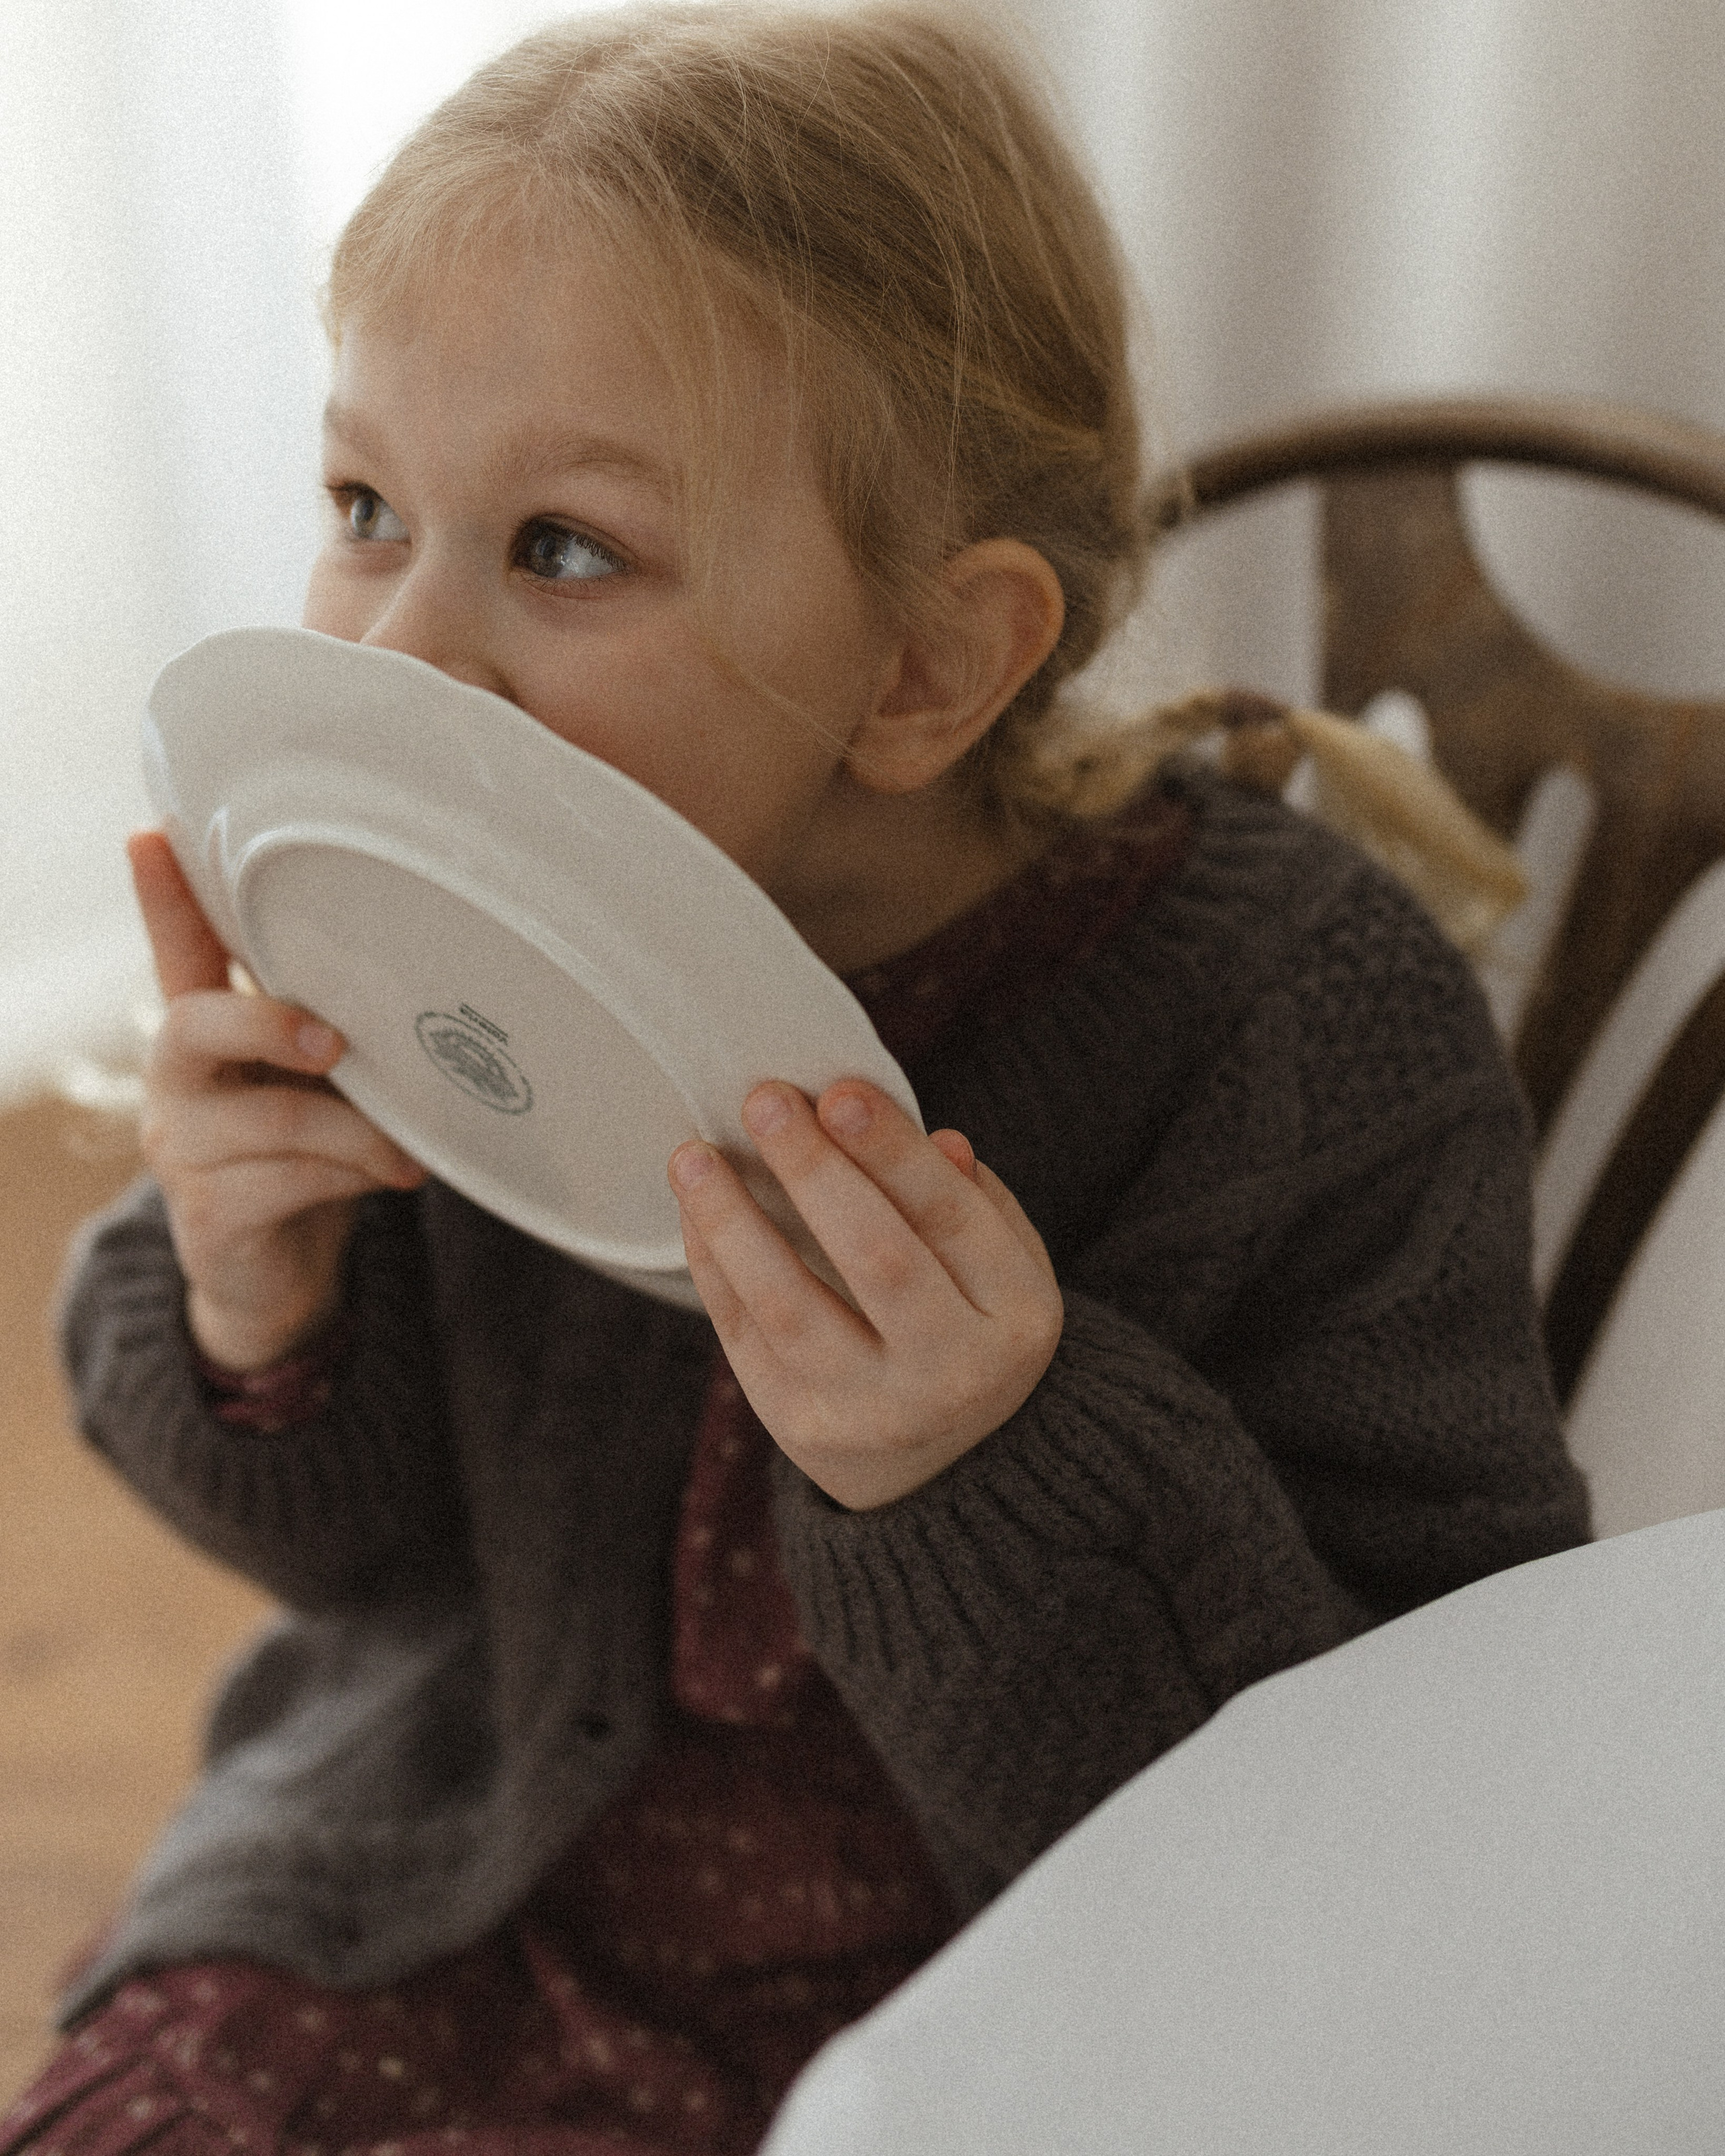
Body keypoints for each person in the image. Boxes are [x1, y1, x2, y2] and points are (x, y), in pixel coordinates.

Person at [3, 5, 1588, 2152]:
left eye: (564, 549)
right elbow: (353, 1567)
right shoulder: (411, 914)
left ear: (931, 663)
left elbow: (1398, 1803)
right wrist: (253, 1307)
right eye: (366, 500)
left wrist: (985, 1465)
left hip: (1003, 2001)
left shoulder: (1302, 1025)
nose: (391, 659)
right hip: (431, 1886)